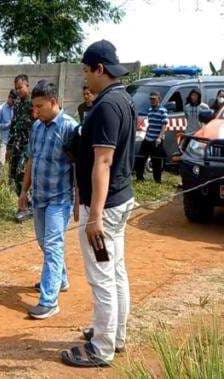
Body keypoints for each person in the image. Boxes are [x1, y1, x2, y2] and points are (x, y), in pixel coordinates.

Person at [61, 40, 136, 368]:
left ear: (99, 69)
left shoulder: (106, 106)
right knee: (115, 270)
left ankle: (101, 348)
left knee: (102, 275)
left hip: (105, 208)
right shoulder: (123, 99)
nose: (84, 77)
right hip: (120, 199)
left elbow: (103, 162)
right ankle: (115, 335)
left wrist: (95, 217)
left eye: (86, 70)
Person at [19, 80, 78, 320]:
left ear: (53, 103)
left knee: (53, 245)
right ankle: (60, 279)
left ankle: (49, 301)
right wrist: (24, 191)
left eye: (39, 106)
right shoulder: (37, 127)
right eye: (34, 107)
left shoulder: (70, 128)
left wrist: (78, 201)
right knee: (44, 243)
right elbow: (32, 160)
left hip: (60, 199)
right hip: (39, 197)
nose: (35, 111)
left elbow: (78, 166)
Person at [8, 74, 35, 221]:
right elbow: (14, 124)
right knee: (12, 175)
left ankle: (26, 207)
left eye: (20, 87)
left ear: (27, 85)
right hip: (17, 144)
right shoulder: (17, 102)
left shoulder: (34, 102)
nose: (18, 90)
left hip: (29, 145)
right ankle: (26, 203)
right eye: (16, 88)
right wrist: (9, 147)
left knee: (21, 173)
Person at [134, 91, 168, 183]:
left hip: (156, 139)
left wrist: (159, 138)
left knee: (156, 161)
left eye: (154, 99)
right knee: (141, 158)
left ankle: (157, 180)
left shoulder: (163, 110)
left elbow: (164, 125)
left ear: (158, 99)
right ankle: (139, 177)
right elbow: (150, 124)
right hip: (148, 137)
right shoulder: (150, 110)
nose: (152, 101)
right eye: (151, 99)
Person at [0, 90, 17, 181]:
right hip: (4, 140)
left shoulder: (17, 108)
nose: (13, 101)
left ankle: (10, 181)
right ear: (9, 97)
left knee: (12, 163)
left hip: (15, 141)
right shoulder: (1, 108)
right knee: (1, 161)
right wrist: (7, 125)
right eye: (12, 99)